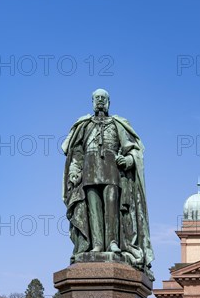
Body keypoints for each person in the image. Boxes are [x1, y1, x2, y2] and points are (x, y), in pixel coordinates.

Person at [62, 89, 154, 278]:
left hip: (112, 172)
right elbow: (76, 153)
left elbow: (132, 150)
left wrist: (129, 161)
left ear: (109, 102)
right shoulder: (85, 125)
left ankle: (112, 242)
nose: (100, 101)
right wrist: (74, 171)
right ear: (92, 102)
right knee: (93, 210)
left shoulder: (117, 124)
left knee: (112, 208)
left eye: (103, 98)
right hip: (89, 171)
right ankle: (96, 244)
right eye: (97, 98)